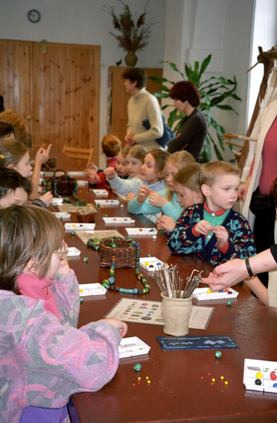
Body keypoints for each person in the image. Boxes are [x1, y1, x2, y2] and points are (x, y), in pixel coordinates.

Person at [0, 204, 127, 422]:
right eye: (56, 249)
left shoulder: (23, 287)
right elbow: (92, 365)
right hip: (31, 411)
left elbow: (63, 324)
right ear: (33, 263)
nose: (62, 252)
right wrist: (107, 330)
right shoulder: (22, 317)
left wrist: (63, 272)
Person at [167, 161, 256, 266]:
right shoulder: (191, 213)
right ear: (207, 190)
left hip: (224, 281)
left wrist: (225, 246)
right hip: (191, 275)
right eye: (227, 189)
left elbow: (248, 264)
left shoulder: (240, 223)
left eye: (236, 189)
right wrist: (193, 231)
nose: (234, 194)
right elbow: (173, 246)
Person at [240, 100, 277, 287]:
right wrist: (248, 180)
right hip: (264, 201)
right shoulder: (272, 108)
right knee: (261, 258)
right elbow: (258, 152)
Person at [127, 151, 195, 221]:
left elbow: (184, 224)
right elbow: (132, 209)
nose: (168, 179)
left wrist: (164, 204)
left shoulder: (193, 198)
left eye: (173, 175)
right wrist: (139, 200)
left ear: (187, 176)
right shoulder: (167, 193)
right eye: (167, 175)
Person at [0, 137, 53, 206]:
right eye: (26, 163)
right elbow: (16, 215)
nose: (30, 167)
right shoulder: (9, 192)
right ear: (12, 168)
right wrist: (40, 204)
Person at [122, 68, 163, 150]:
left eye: (126, 81)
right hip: (138, 151)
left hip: (151, 152)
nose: (124, 84)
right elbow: (131, 125)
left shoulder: (150, 100)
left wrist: (135, 138)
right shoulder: (131, 100)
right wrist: (128, 135)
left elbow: (157, 131)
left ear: (134, 82)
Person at [157, 162, 203, 232]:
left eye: (181, 195)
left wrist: (174, 228)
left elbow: (196, 241)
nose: (178, 200)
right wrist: (167, 229)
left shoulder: (203, 217)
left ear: (198, 194)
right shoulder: (188, 213)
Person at [167, 81, 207, 160]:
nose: (174, 104)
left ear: (185, 100)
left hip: (189, 166)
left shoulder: (196, 119)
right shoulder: (190, 117)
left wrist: (177, 140)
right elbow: (176, 142)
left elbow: (173, 146)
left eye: (176, 100)